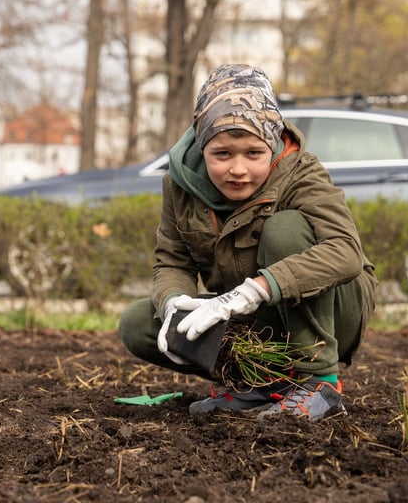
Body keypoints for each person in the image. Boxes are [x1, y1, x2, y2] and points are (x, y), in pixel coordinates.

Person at [118, 64, 377, 421]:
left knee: (286, 230)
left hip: (332, 315)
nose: (238, 169)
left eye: (253, 153)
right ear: (202, 145)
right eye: (222, 154)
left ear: (271, 143)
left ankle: (319, 385)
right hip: (255, 318)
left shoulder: (301, 173)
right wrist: (173, 303)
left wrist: (257, 289)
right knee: (139, 323)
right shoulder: (179, 186)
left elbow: (345, 252)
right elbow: (172, 262)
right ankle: (260, 384)